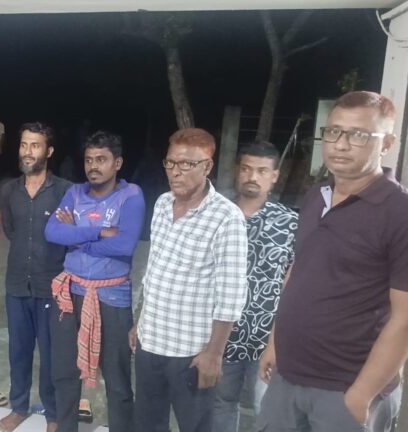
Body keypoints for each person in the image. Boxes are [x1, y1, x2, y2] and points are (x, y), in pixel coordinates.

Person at [259, 91, 408, 432]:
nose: (340, 144)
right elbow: (299, 272)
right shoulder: (317, 196)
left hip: (345, 389)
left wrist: (362, 395)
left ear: (386, 143)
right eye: (334, 131)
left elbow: (404, 318)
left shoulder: (399, 212)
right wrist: (274, 342)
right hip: (288, 379)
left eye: (358, 135)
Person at [132, 128, 248, 432]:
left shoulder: (226, 217)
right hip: (150, 342)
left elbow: (231, 294)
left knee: (195, 426)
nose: (175, 172)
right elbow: (153, 270)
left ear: (207, 166)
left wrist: (214, 354)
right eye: (170, 163)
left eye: (186, 164)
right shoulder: (162, 204)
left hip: (191, 352)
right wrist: (139, 322)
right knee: (147, 424)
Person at [45, 131, 144, 432]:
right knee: (64, 373)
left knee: (117, 378)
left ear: (118, 163)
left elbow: (124, 245)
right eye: (89, 160)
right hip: (69, 293)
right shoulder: (75, 193)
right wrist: (99, 232)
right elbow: (52, 232)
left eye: (101, 159)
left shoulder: (131, 196)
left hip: (112, 297)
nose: (93, 166)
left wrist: (75, 235)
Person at [213, 141, 298, 431]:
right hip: (222, 335)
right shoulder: (217, 214)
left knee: (268, 408)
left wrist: (279, 338)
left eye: (262, 171)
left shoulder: (290, 222)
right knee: (221, 403)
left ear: (274, 176)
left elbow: (293, 282)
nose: (252, 176)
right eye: (247, 169)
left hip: (268, 339)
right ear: (238, 170)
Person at [0, 122, 71, 432]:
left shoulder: (65, 191)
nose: (28, 151)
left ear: (48, 151)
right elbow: (11, 230)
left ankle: (52, 414)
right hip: (17, 285)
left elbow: (71, 237)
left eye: (35, 145)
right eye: (24, 144)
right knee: (19, 351)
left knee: (51, 356)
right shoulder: (8, 190)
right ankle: (18, 407)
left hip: (51, 286)